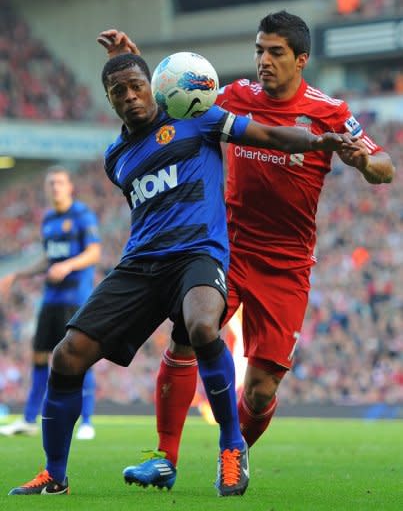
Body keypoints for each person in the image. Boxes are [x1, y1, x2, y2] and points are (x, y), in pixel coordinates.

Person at [8, 49, 354, 497]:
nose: (130, 96)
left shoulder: (202, 120)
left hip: (198, 255)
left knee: (202, 325)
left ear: (152, 86)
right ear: (109, 100)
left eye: (136, 86)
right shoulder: (116, 158)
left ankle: (232, 448)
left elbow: (267, 134)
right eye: (119, 92)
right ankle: (54, 476)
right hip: (140, 265)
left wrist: (318, 142)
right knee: (66, 356)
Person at [97, 9, 395, 492]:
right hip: (226, 246)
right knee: (189, 336)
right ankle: (164, 457)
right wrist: (130, 61)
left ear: (301, 59)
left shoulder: (329, 111)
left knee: (259, 391)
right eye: (259, 50)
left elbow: (385, 167)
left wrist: (363, 161)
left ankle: (234, 453)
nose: (263, 60)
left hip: (288, 264)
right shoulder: (235, 96)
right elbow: (169, 99)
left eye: (275, 52)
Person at [0, 167, 101, 441]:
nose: (55, 187)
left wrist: (67, 266)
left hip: (75, 298)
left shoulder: (81, 215)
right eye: (50, 183)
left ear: (69, 187)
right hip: (51, 299)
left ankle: (88, 421)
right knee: (39, 357)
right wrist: (20, 273)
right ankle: (29, 419)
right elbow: (48, 258)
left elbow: (93, 252)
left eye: (59, 182)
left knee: (79, 358)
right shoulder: (48, 220)